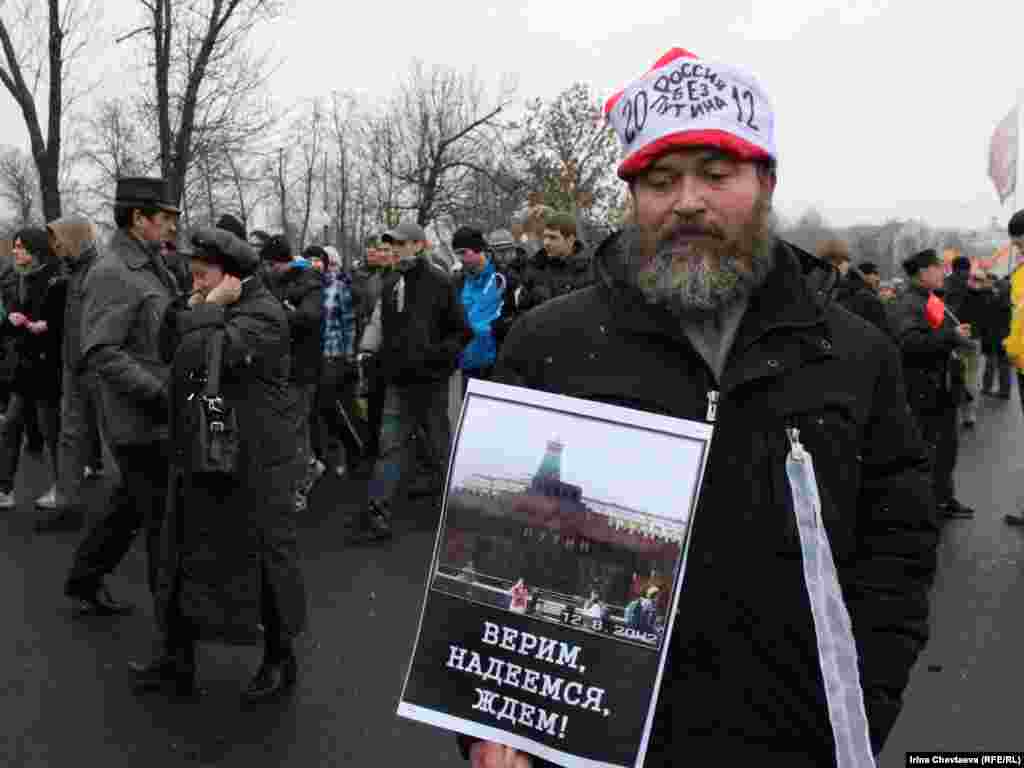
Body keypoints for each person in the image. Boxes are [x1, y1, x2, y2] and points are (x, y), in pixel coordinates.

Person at [464, 47, 937, 768]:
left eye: (716, 175)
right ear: (633, 197)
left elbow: (896, 543)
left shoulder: (852, 352)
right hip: (595, 737)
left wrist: (865, 703)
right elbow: (493, 537)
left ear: (765, 182)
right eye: (660, 181)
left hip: (794, 740)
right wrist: (492, 716)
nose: (687, 201)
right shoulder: (548, 344)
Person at [134, 227, 306, 700]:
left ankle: (280, 657)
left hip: (254, 457)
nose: (193, 284)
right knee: (179, 548)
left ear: (231, 276)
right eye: (190, 274)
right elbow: (168, 347)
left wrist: (206, 309)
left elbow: (202, 357)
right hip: (201, 447)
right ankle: (176, 657)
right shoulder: (208, 304)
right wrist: (195, 305)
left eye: (201, 274)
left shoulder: (263, 314)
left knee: (267, 558)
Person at [64, 177, 180, 617]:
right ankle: (174, 632)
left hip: (155, 417)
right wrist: (159, 394)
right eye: (165, 217)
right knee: (163, 524)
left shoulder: (152, 265)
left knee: (130, 505)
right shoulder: (113, 272)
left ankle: (84, 579)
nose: (172, 226)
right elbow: (101, 351)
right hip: (138, 421)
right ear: (138, 219)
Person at [352, 220, 471, 544]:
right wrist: (374, 355)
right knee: (389, 448)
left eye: (401, 244)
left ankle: (461, 514)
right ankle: (377, 516)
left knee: (440, 448)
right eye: (392, 244)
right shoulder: (392, 282)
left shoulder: (440, 282)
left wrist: (436, 357)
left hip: (431, 384)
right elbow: (385, 327)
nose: (395, 249)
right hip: (398, 383)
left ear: (418, 245)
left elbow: (462, 331)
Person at [888, 248, 975, 521]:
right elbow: (910, 343)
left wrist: (955, 337)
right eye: (939, 268)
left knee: (946, 448)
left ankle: (943, 499)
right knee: (928, 449)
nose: (943, 273)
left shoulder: (931, 299)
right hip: (923, 389)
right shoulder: (909, 303)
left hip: (942, 386)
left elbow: (939, 336)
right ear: (923, 272)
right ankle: (925, 507)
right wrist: (951, 336)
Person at [37, 215, 104, 532]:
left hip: (96, 367)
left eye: (58, 238)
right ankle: (67, 506)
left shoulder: (98, 272)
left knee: (118, 437)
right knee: (71, 437)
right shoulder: (72, 272)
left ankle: (150, 506)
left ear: (74, 238)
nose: (55, 245)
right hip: (74, 367)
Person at [0, 227, 64, 511]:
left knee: (52, 432)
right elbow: (13, 323)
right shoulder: (19, 279)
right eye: (14, 246)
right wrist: (11, 322)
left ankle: (62, 487)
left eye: (20, 247)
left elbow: (61, 324)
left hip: (47, 368)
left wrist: (44, 327)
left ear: (36, 251)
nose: (14, 251)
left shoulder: (55, 281)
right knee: (10, 425)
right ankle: (4, 489)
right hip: (24, 368)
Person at [260, 235, 323, 512]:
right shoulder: (277, 282)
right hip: (285, 367)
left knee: (293, 429)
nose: (266, 270)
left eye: (269, 265)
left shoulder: (310, 281)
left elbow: (309, 317)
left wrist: (279, 314)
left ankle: (297, 489)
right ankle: (309, 466)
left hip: (302, 368)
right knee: (294, 427)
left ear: (278, 263)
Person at [452, 226, 507, 397]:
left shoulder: (503, 277)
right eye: (457, 254)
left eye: (463, 252)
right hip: (468, 367)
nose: (460, 258)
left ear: (478, 249)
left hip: (497, 367)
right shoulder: (458, 281)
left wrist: (496, 328)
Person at [515, 211, 593, 314]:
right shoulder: (535, 268)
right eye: (545, 237)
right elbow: (522, 312)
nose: (546, 242)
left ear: (570, 240)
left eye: (553, 237)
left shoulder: (591, 268)